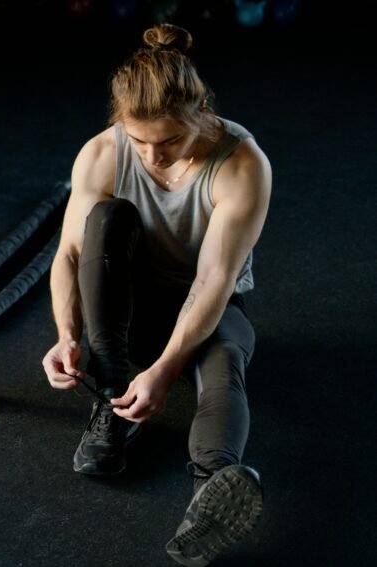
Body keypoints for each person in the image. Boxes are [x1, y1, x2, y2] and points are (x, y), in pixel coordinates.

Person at [40, 23, 271, 566]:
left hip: (206, 302)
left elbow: (214, 279)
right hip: (125, 301)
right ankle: (114, 404)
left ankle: (211, 497)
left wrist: (166, 368)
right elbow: (71, 256)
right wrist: (66, 336)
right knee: (106, 218)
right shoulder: (101, 153)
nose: (152, 156)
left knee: (226, 360)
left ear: (203, 111)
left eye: (168, 141)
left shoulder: (242, 164)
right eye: (138, 140)